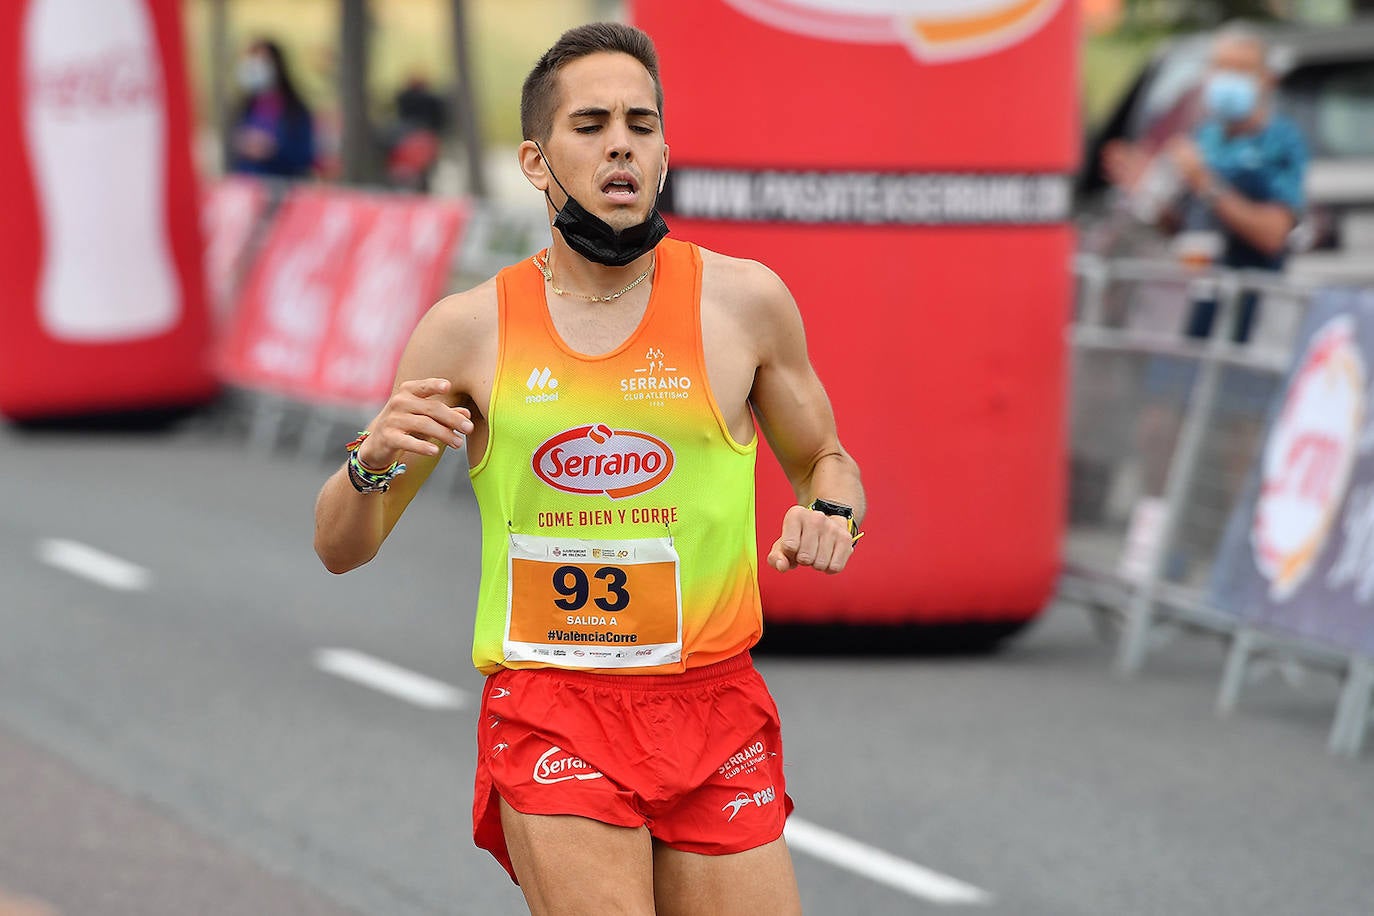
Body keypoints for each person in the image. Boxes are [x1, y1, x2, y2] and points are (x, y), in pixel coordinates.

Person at [312, 22, 864, 916]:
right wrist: (370, 464)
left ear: (664, 151)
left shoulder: (745, 303)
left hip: (715, 699)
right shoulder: (468, 330)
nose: (622, 145)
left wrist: (832, 516)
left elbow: (828, 462)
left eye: (642, 126)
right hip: (553, 704)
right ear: (536, 161)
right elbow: (341, 548)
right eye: (594, 123)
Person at [228, 39, 316, 179]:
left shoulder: (295, 109)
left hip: (281, 186)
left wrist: (272, 150)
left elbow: (305, 156)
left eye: (262, 60)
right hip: (248, 185)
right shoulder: (245, 106)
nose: (255, 66)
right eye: (252, 59)